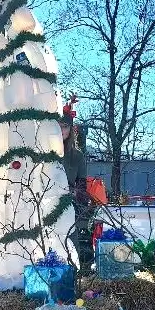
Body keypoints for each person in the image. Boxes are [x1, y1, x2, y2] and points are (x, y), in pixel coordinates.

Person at [59, 94, 92, 266]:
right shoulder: (43, 154)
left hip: (69, 207)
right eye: (57, 126)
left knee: (71, 243)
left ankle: (76, 272)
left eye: (64, 126)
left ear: (70, 129)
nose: (60, 130)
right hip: (43, 205)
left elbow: (82, 185)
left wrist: (73, 194)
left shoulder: (77, 157)